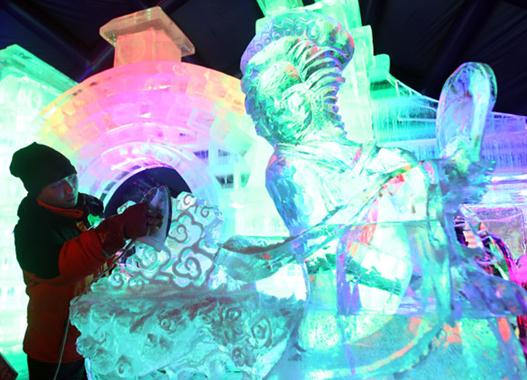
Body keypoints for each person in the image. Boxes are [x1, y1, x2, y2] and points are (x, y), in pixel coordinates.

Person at [9, 142, 162, 380]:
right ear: (38, 192)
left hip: (88, 333)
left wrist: (130, 244)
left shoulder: (83, 215)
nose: (70, 189)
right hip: (55, 345)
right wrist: (117, 230)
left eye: (71, 179)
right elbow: (64, 266)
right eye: (57, 185)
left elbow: (96, 265)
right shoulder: (30, 230)